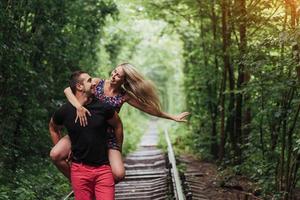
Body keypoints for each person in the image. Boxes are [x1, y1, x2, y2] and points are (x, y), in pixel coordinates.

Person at [50, 63, 190, 182]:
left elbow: (148, 108)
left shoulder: (124, 96)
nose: (113, 75)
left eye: (118, 75)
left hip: (106, 135)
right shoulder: (97, 82)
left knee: (118, 174)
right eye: (114, 71)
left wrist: (171, 116)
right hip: (83, 129)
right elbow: (69, 89)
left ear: (125, 81)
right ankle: (78, 182)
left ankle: (98, 185)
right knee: (56, 154)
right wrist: (78, 106)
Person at [49, 71, 123, 200]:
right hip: (79, 171)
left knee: (119, 174)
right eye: (89, 81)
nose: (93, 83)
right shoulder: (65, 111)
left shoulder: (103, 108)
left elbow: (117, 124)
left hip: (103, 169)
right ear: (79, 86)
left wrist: (118, 147)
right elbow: (53, 127)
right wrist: (64, 151)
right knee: (55, 154)